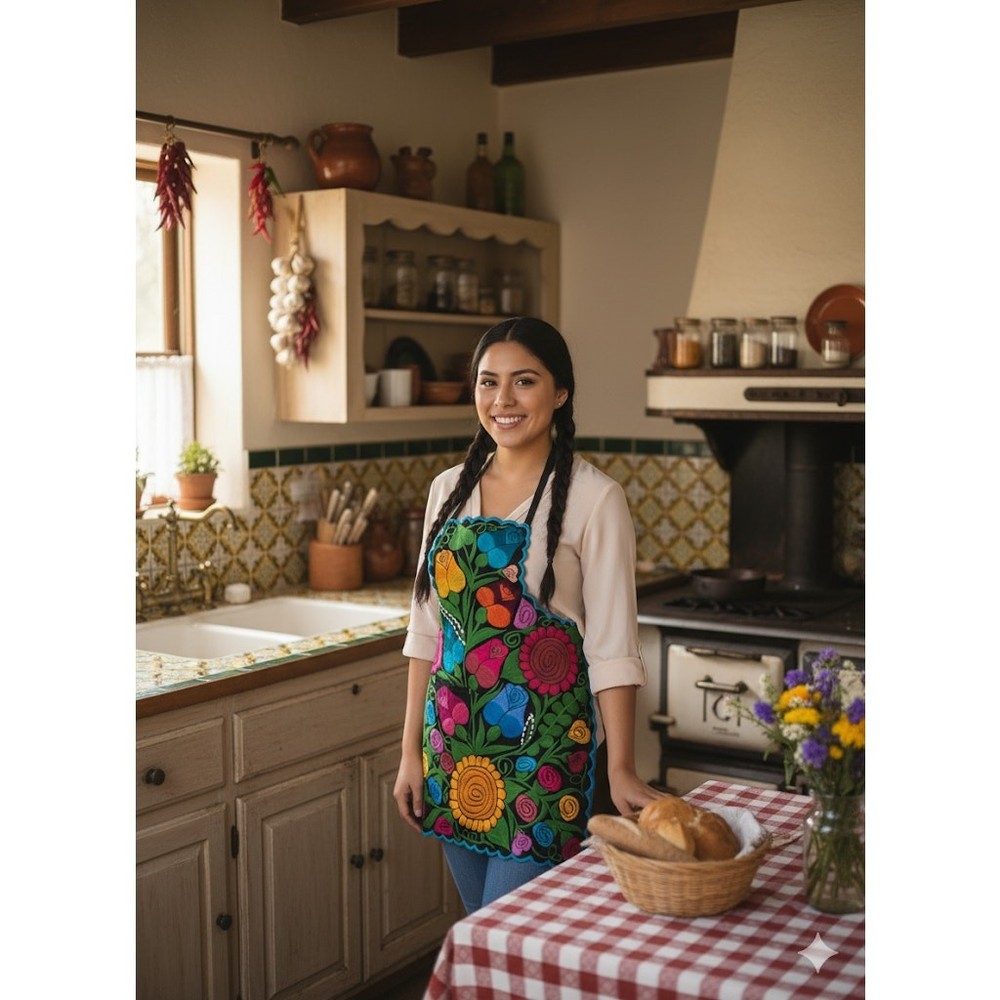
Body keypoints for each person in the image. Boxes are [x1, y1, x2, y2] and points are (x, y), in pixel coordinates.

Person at [392, 316, 661, 914]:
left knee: (509, 932)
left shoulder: (596, 498)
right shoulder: (447, 490)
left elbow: (614, 647)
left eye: (524, 382)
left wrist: (620, 768)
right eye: (488, 383)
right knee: (488, 943)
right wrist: (411, 750)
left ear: (560, 392)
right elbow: (427, 634)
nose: (502, 401)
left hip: (545, 758)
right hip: (454, 749)